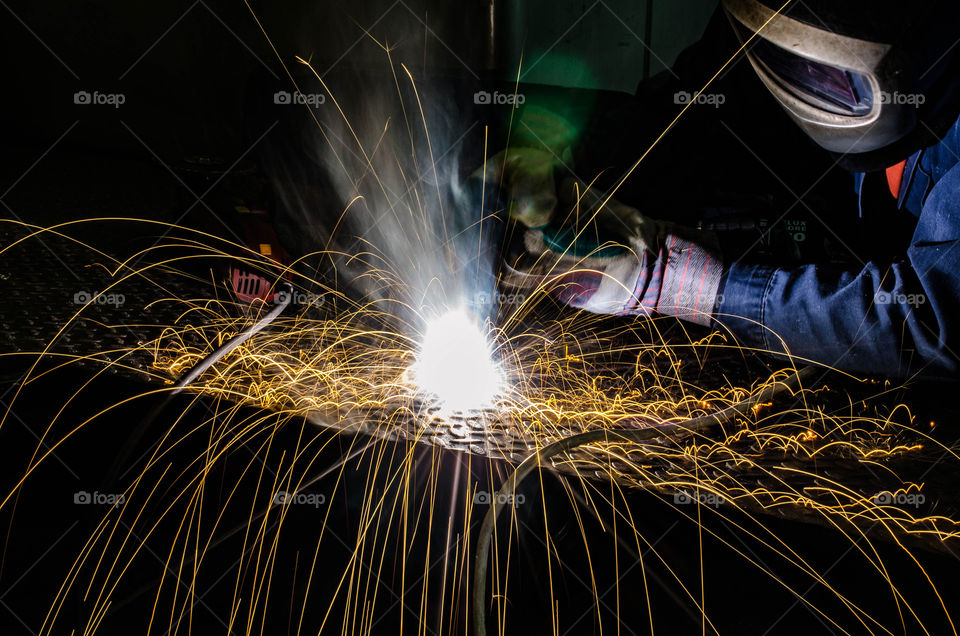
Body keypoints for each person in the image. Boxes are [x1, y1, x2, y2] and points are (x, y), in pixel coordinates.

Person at [490, 0, 960, 378]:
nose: (809, 82)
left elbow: (934, 320)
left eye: (836, 78)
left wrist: (680, 283)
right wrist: (558, 151)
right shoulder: (767, 11)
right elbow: (689, 111)